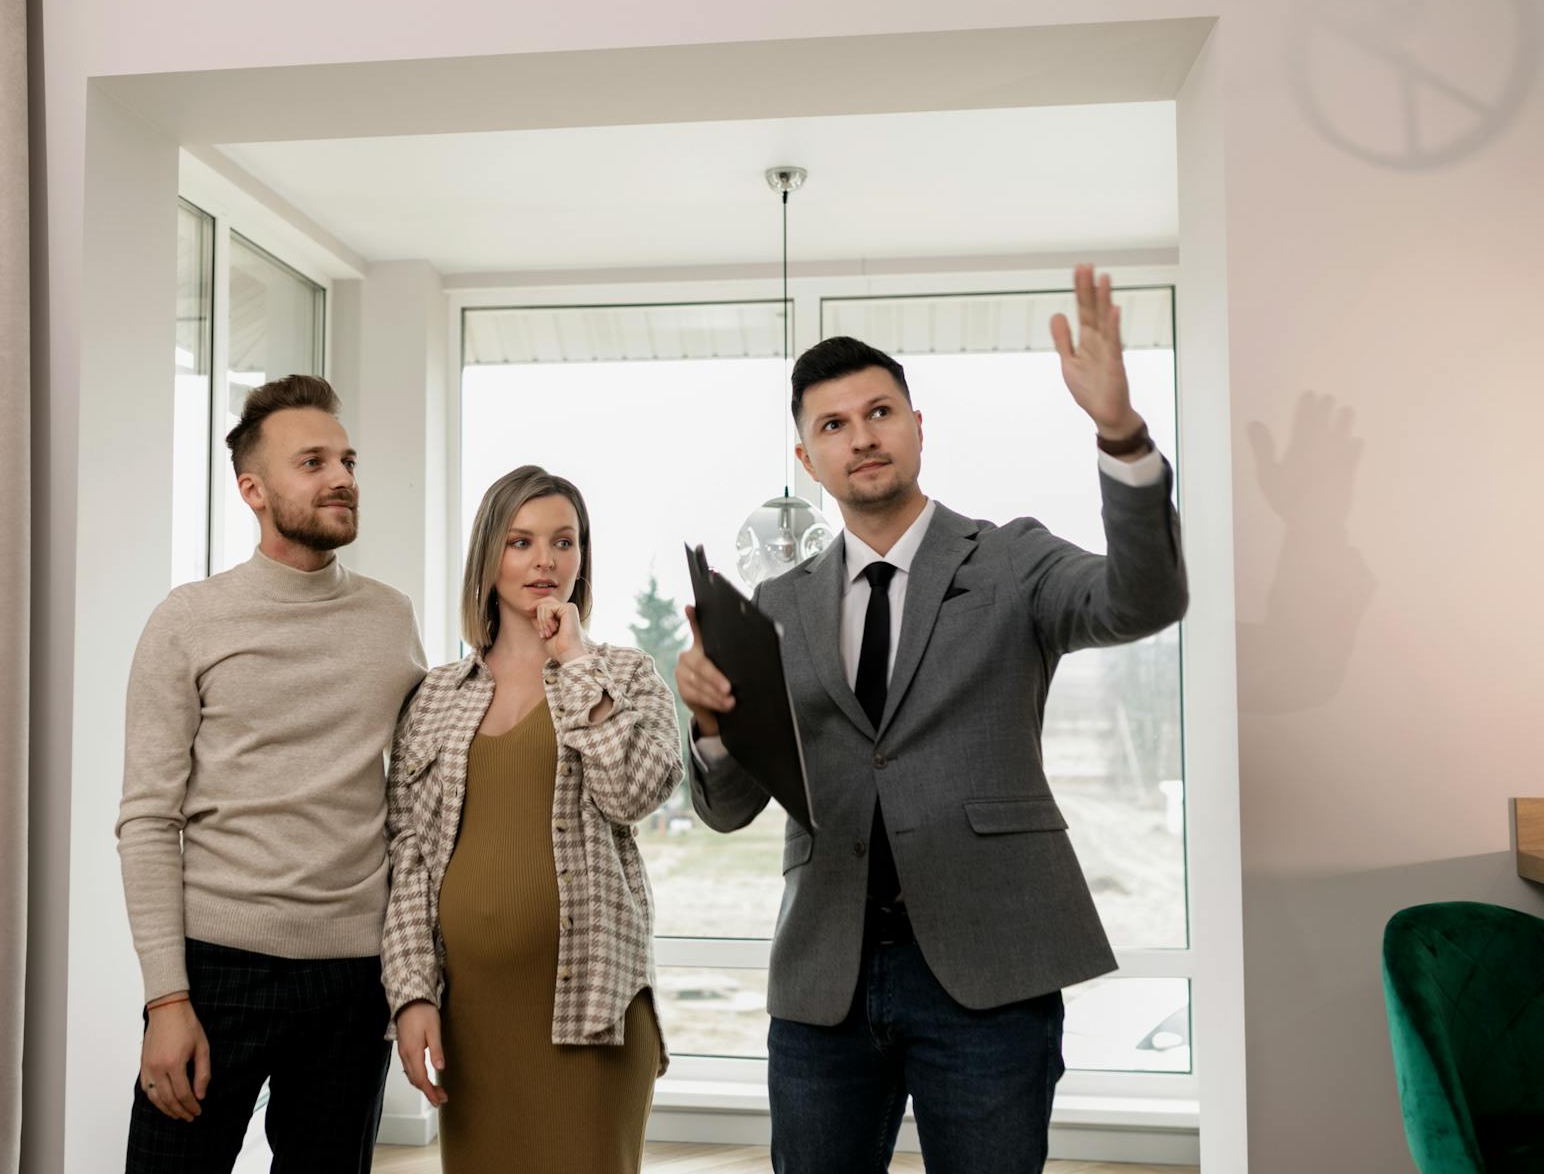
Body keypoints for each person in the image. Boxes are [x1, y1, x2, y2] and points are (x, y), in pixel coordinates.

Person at [675, 266, 1190, 1174]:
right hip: (824, 975)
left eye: (879, 412)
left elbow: (1141, 598)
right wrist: (711, 726)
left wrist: (1121, 434)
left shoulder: (1013, 561)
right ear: (807, 459)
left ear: (917, 426)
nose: (860, 437)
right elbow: (726, 811)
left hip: (989, 971)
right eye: (832, 425)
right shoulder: (776, 607)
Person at [117, 374, 427, 1173]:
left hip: (353, 980)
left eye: (347, 460)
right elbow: (149, 820)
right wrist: (167, 1000)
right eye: (314, 462)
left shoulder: (390, 619)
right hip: (217, 972)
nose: (343, 478)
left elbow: (420, 798)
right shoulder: (188, 620)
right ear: (253, 490)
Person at [382, 465, 682, 1174]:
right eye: (521, 542)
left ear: (583, 559)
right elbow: (410, 861)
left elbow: (634, 792)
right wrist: (411, 994)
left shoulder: (627, 674)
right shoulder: (432, 697)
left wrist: (573, 658)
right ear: (488, 558)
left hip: (591, 1014)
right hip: (472, 1020)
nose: (545, 560)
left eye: (564, 542)